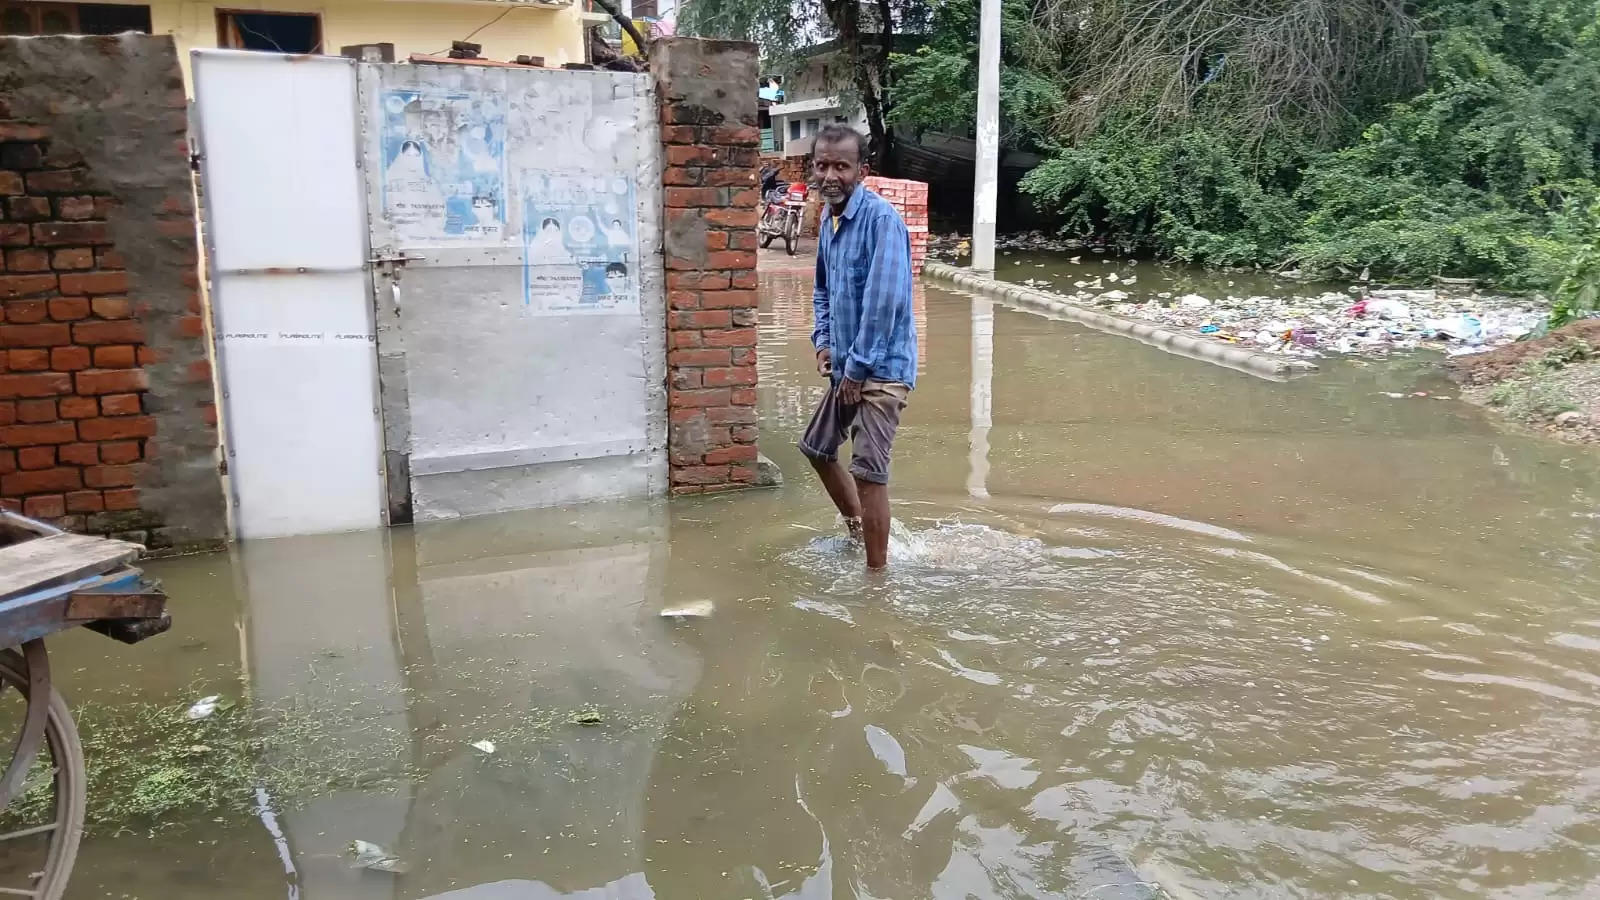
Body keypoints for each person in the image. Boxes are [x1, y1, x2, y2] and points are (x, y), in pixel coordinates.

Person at [797, 125, 917, 571]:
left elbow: (884, 304)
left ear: (861, 171)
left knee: (868, 471)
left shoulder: (881, 221)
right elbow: (822, 291)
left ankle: (877, 575)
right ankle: (856, 529)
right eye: (822, 165)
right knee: (817, 448)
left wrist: (858, 370)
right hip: (846, 366)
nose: (830, 175)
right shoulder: (830, 222)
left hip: (881, 370)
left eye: (841, 166)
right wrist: (824, 343)